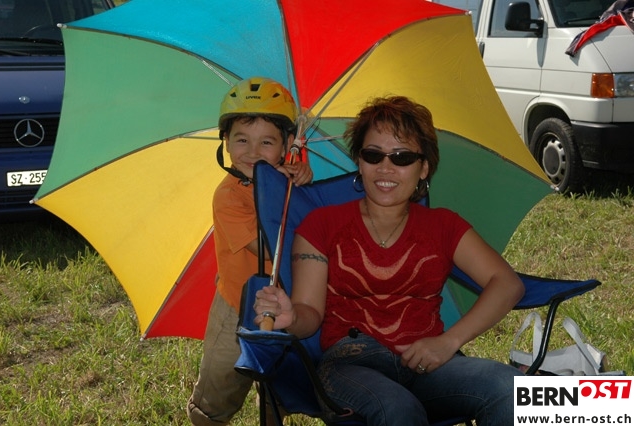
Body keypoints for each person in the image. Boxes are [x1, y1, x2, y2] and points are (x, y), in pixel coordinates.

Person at [253, 96, 525, 426]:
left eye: (402, 157)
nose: (385, 167)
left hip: (427, 363)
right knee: (399, 409)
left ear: (423, 168)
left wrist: (448, 342)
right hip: (350, 365)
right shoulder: (322, 225)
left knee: (511, 388)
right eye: (373, 155)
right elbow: (309, 314)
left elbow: (507, 284)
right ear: (359, 161)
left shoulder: (443, 225)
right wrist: (292, 316)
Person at [187, 77, 313, 426]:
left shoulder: (288, 183)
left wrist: (300, 183)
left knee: (278, 382)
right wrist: (279, 193)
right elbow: (270, 244)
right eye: (242, 140)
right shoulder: (228, 196)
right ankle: (208, 418)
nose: (253, 152)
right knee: (221, 381)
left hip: (280, 303)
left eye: (267, 142)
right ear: (225, 142)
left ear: (286, 145)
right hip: (235, 306)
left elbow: (308, 225)